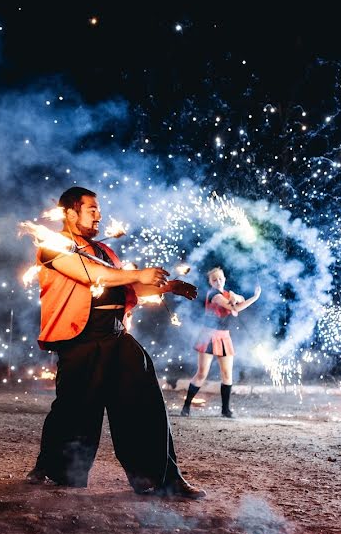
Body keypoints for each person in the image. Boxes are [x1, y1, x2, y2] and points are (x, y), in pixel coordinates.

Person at [26, 187, 205, 498]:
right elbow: (92, 275)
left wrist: (168, 286)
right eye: (91, 208)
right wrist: (137, 273)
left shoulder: (106, 252)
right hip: (79, 337)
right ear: (70, 212)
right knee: (73, 409)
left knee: (145, 402)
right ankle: (53, 468)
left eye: (98, 209)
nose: (99, 214)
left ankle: (162, 478)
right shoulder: (53, 247)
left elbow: (128, 288)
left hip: (116, 334)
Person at [181, 267, 261, 418]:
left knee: (226, 374)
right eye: (214, 279)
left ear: (224, 279)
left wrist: (235, 295)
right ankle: (186, 406)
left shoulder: (226, 293)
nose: (218, 282)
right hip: (209, 336)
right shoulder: (214, 294)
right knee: (202, 373)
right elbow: (236, 307)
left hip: (224, 336)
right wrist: (255, 297)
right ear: (210, 282)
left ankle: (225, 410)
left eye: (220, 279)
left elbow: (238, 300)